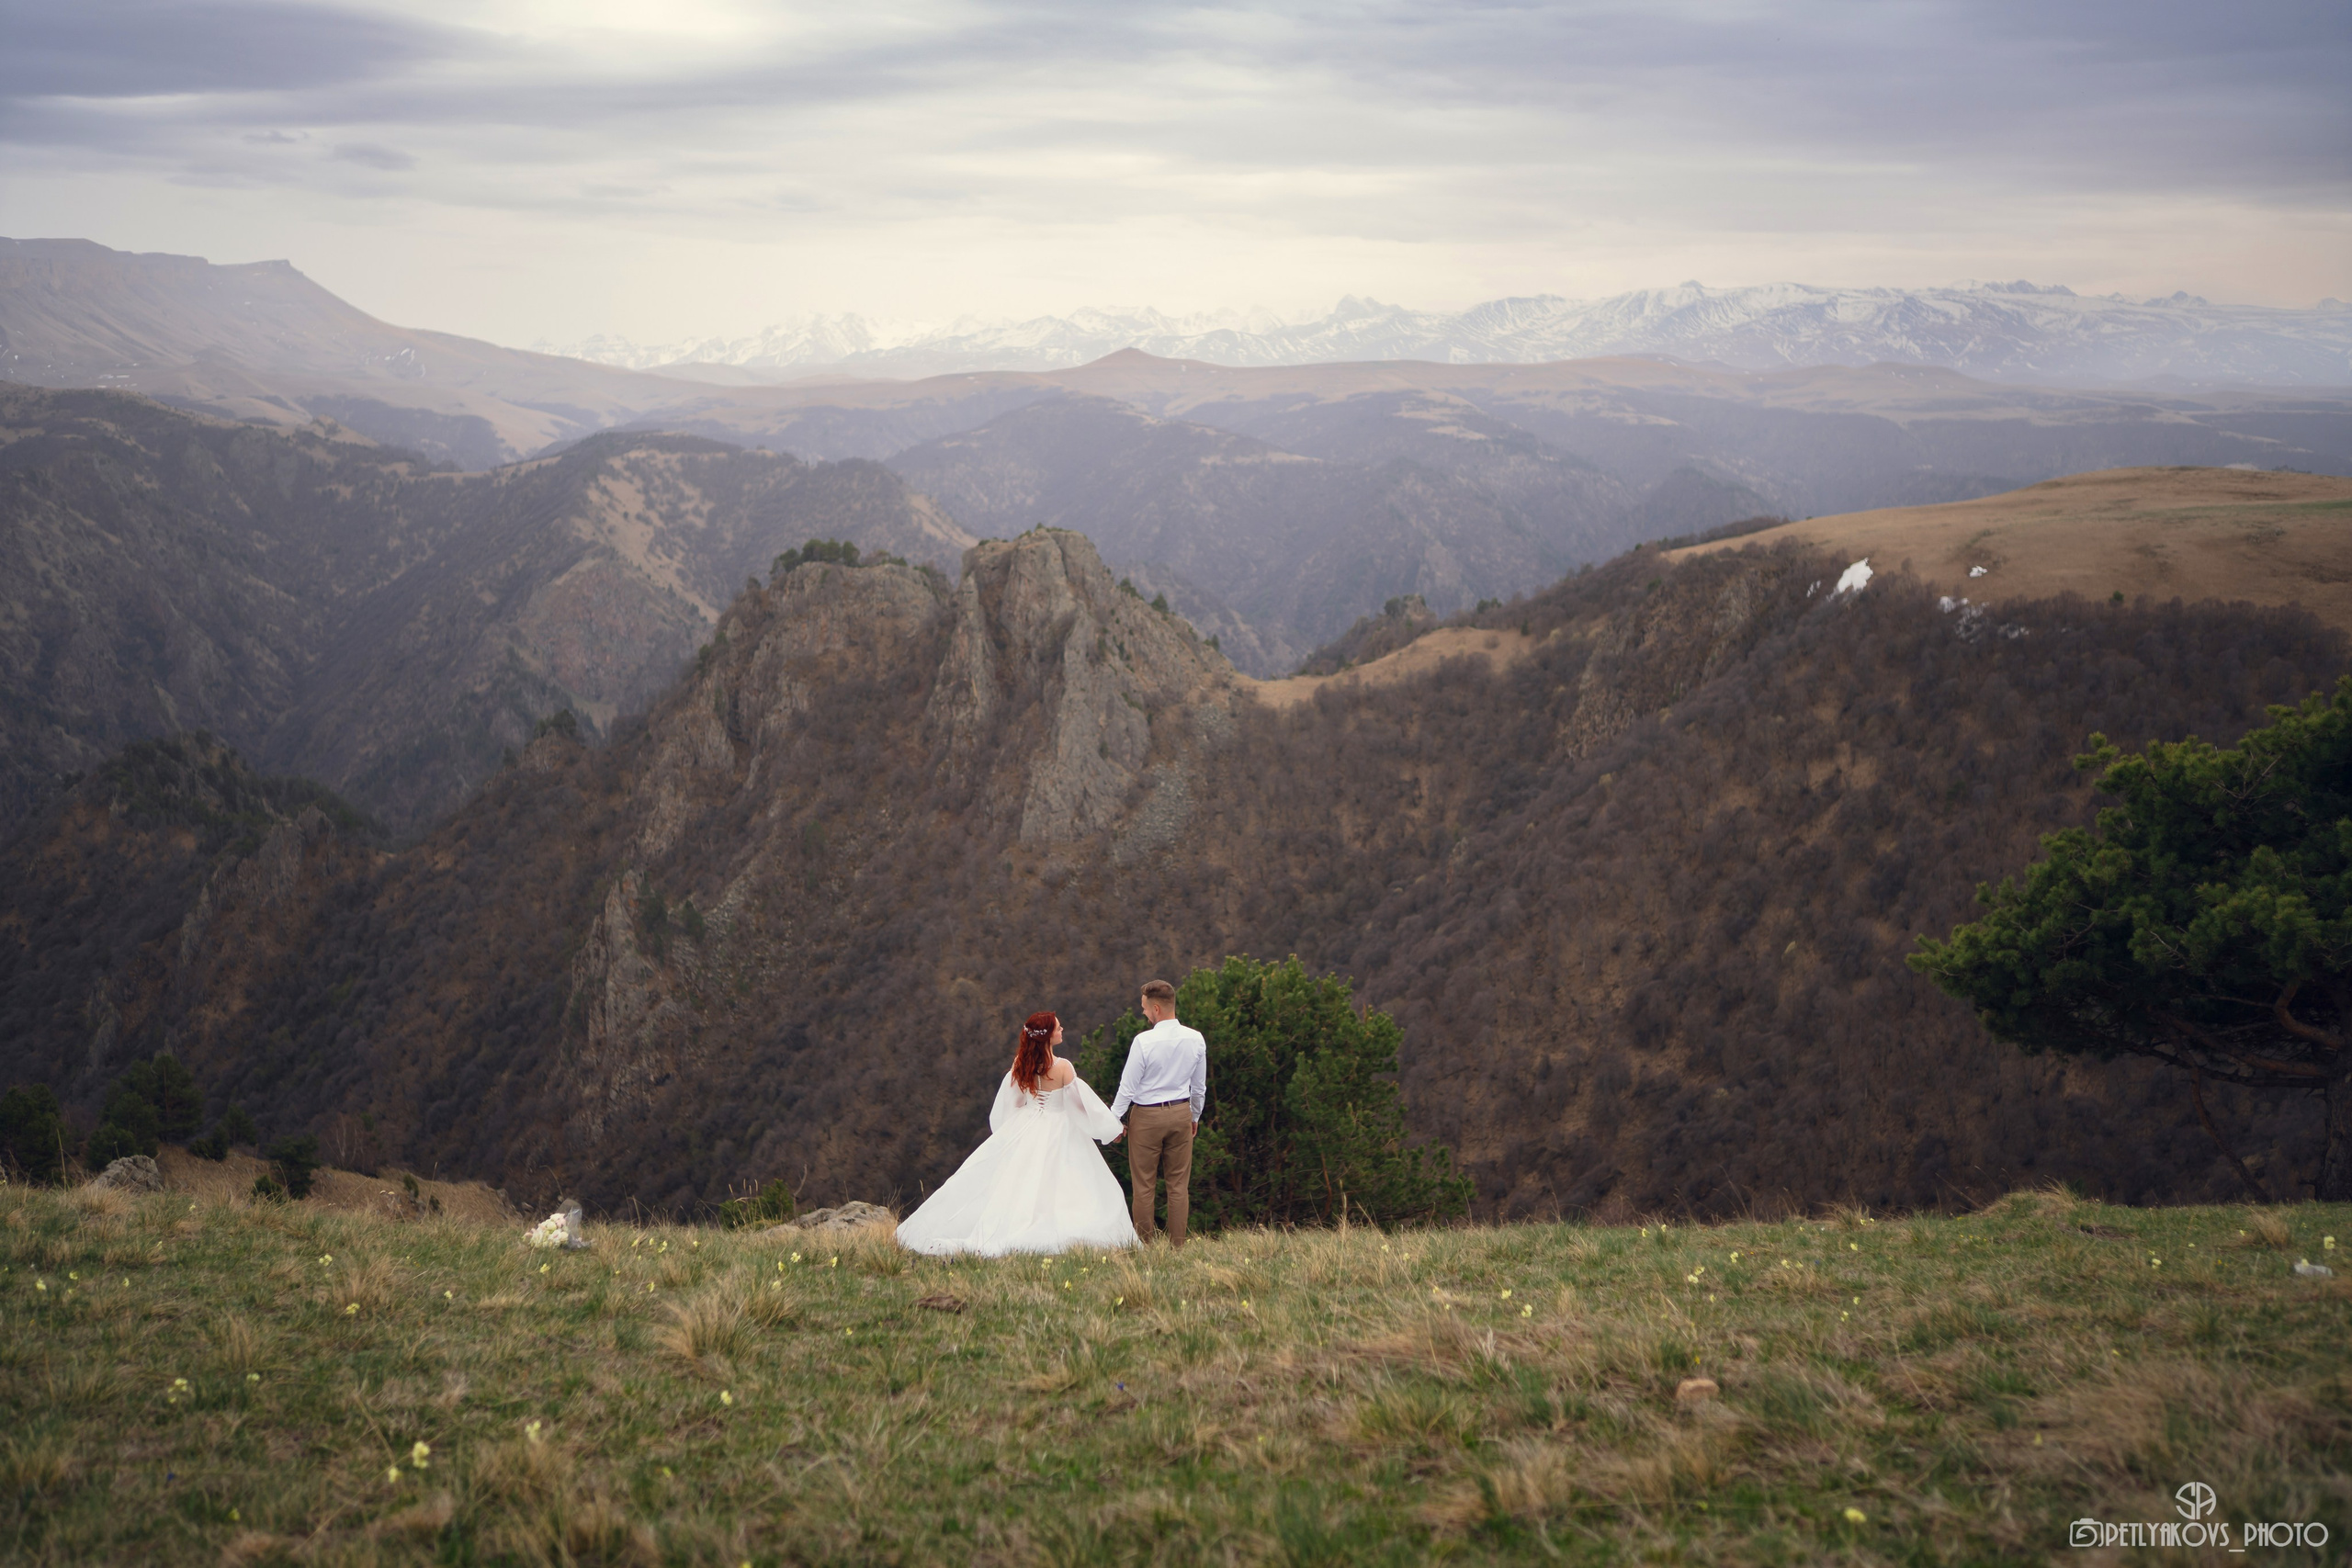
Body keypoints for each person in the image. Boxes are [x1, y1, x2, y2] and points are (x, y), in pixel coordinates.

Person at [895, 1012, 1136, 1256]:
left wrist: (1010, 1131)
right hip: (1060, 1127)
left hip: (1026, 1124)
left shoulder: (1022, 1062)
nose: (1062, 1028)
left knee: (1022, 1181)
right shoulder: (1063, 1068)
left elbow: (1012, 1101)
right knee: (1067, 1181)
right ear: (1047, 1036)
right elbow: (1083, 1106)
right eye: (1057, 1027)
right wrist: (1111, 1128)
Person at [1109, 979, 1207, 1247]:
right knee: (1178, 1186)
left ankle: (1147, 1246)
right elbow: (1199, 1087)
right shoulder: (1195, 1039)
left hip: (1147, 1118)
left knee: (1143, 1186)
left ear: (1156, 1009)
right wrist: (1194, 1116)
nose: (1142, 1013)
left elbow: (1126, 1089)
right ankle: (1178, 1247)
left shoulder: (1143, 1042)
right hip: (1180, 1113)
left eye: (1143, 1008)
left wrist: (1112, 1121)